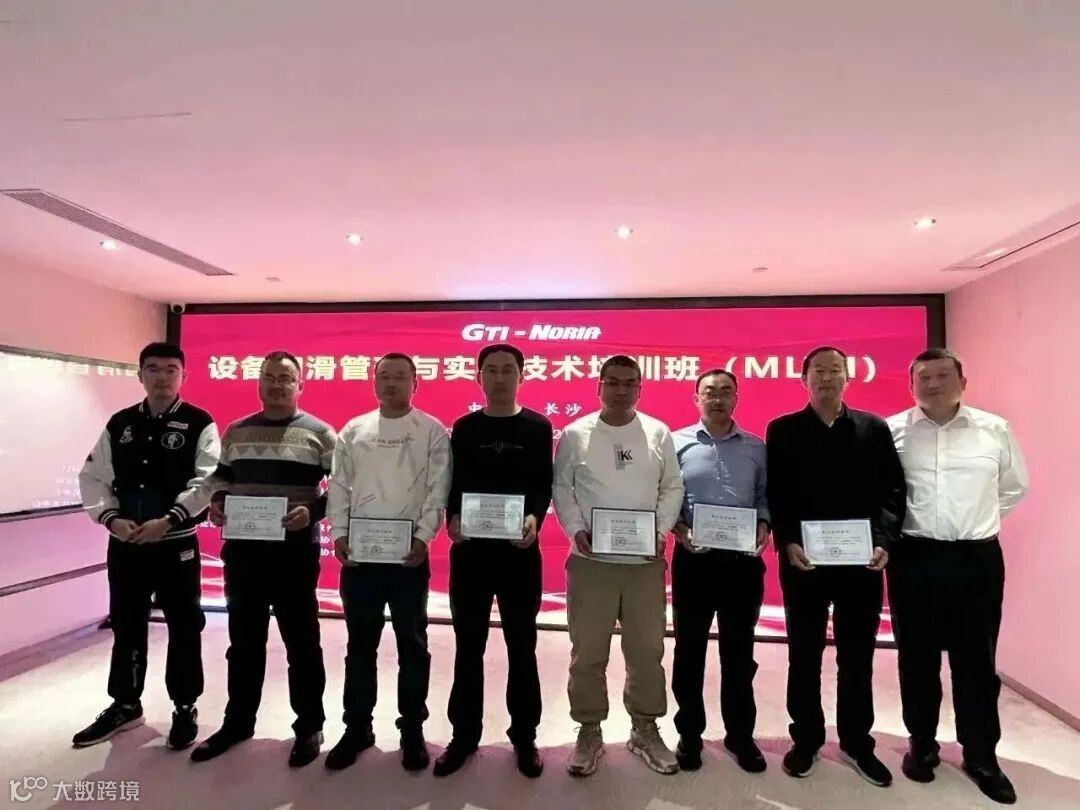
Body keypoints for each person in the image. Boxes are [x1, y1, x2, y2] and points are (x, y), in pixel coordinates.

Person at [887, 348, 1028, 805]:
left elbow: (1014, 487)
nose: (933, 384)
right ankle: (922, 745)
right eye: (923, 377)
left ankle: (981, 755)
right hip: (914, 557)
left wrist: (975, 522)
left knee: (977, 662)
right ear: (911, 385)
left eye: (943, 375)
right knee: (916, 658)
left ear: (962, 382)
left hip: (975, 559)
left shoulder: (994, 429)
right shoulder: (892, 431)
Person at [765, 346, 906, 787]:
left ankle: (856, 742)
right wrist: (787, 540)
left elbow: (893, 491)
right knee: (804, 655)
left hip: (861, 564)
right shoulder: (783, 429)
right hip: (803, 562)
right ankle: (806, 739)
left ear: (848, 377)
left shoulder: (873, 428)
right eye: (818, 371)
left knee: (857, 656)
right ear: (804, 379)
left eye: (834, 371)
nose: (826, 378)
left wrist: (884, 541)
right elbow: (776, 493)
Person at [190, 351, 336, 768]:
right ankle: (238, 722)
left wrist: (314, 512)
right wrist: (218, 501)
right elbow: (221, 478)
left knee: (301, 643)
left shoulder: (320, 433)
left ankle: (309, 726)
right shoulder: (237, 431)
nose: (276, 385)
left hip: (294, 554)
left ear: (300, 385)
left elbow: (343, 487)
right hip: (243, 553)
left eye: (285, 378)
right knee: (243, 644)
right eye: (269, 377)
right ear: (258, 383)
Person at [75, 342, 219, 750]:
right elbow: (93, 477)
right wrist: (111, 518)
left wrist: (169, 519)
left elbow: (207, 479)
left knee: (185, 626)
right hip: (126, 545)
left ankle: (185, 705)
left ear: (184, 376)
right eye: (152, 369)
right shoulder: (120, 424)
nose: (162, 377)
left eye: (171, 369)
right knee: (126, 624)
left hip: (176, 545)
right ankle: (125, 704)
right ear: (140, 375)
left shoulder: (199, 422)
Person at [553, 355, 685, 777]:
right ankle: (589, 729)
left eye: (630, 383)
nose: (621, 390)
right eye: (612, 382)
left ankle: (644, 728)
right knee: (588, 652)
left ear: (640, 389)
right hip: (591, 563)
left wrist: (660, 531)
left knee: (647, 652)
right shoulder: (575, 434)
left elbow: (672, 486)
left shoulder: (657, 432)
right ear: (599, 387)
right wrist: (576, 529)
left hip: (644, 563)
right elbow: (562, 488)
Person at [324, 353, 451, 773]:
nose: (392, 383)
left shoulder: (431, 430)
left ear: (416, 383)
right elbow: (339, 485)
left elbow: (437, 490)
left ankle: (412, 728)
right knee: (360, 646)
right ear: (374, 382)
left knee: (412, 645)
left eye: (400, 377)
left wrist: (424, 536)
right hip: (360, 557)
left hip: (408, 557)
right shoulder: (354, 430)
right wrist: (339, 532)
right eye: (385, 376)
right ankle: (357, 727)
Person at [435, 343, 553, 778]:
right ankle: (464, 735)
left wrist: (534, 518)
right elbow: (454, 484)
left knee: (522, 647)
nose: (499, 377)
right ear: (478, 376)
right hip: (471, 554)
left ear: (522, 376)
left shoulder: (538, 427)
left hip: (520, 554)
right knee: (469, 647)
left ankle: (524, 736)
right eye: (491, 370)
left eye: (508, 370)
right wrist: (452, 517)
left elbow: (542, 485)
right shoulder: (464, 428)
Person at [671, 368, 770, 773]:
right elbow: (667, 497)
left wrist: (763, 525)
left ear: (736, 398)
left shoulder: (757, 447)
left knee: (739, 653)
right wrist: (679, 529)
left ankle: (740, 735)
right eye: (709, 391)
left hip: (742, 564)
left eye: (726, 391)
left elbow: (764, 497)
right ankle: (689, 735)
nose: (717, 398)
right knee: (688, 651)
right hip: (694, 561)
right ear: (696, 398)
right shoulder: (675, 443)